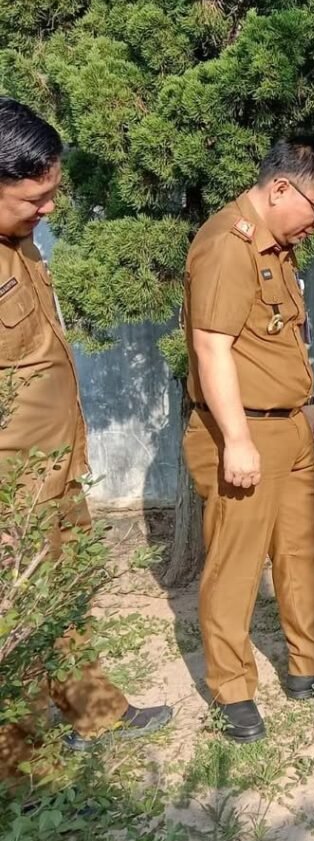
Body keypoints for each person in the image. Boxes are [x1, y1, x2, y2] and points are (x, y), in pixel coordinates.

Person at [182, 135, 314, 743]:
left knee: (301, 551)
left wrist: (309, 400)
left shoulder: (277, 246)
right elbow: (211, 348)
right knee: (236, 566)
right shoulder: (227, 244)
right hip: (243, 431)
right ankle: (231, 689)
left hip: (288, 425)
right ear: (279, 188)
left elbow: (285, 333)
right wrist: (236, 440)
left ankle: (312, 665)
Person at [0, 98, 172, 780]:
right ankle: (20, 776)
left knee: (67, 598)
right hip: (12, 494)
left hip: (54, 472)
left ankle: (95, 714)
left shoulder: (18, 243)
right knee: (16, 625)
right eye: (34, 198)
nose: (48, 210)